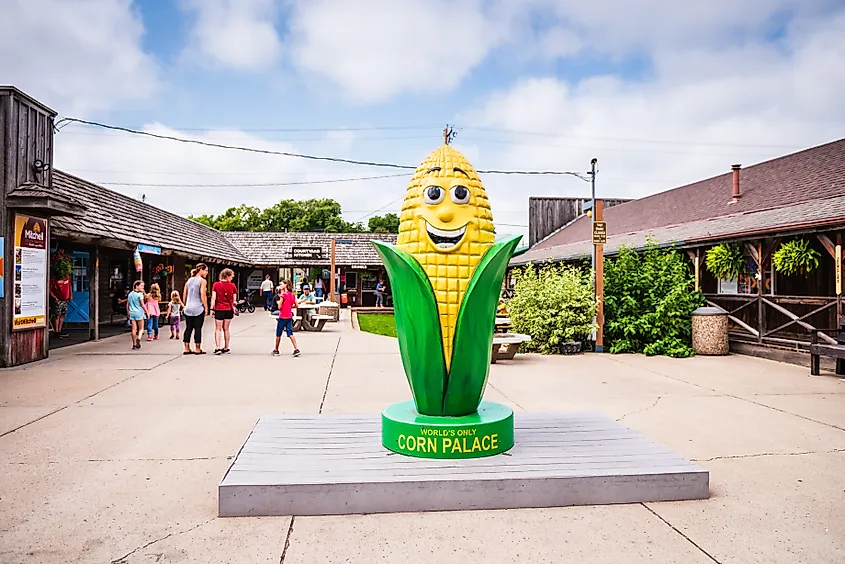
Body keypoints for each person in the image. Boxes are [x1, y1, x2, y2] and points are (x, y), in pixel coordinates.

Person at [182, 263, 209, 355]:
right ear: (201, 270)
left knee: (188, 328)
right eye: (206, 271)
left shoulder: (189, 280)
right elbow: (203, 294)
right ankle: (197, 348)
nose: (207, 273)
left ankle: (186, 348)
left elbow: (184, 293)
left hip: (188, 307)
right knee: (198, 328)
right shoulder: (202, 281)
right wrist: (206, 307)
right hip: (198, 307)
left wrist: (185, 305)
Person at [211, 268, 237, 355]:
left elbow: (213, 297)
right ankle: (226, 347)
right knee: (226, 329)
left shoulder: (216, 285)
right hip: (229, 309)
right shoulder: (233, 286)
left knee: (218, 328)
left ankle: (217, 347)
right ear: (228, 276)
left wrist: (212, 309)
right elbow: (234, 301)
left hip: (219, 309)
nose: (232, 278)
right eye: (231, 276)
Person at [272, 280, 300, 357]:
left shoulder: (283, 295)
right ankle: (296, 348)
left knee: (278, 333)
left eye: (282, 284)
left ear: (286, 285)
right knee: (290, 333)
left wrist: (281, 304)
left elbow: (279, 307)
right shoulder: (292, 295)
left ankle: (276, 350)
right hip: (289, 316)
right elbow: (296, 305)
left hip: (282, 316)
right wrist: (290, 307)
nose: (280, 285)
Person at [49, 272, 72, 338]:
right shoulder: (54, 279)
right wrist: (54, 297)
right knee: (57, 315)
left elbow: (69, 286)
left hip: (65, 299)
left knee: (62, 315)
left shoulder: (67, 277)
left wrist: (70, 295)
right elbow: (50, 289)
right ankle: (56, 331)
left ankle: (60, 330)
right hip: (58, 299)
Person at [127, 280, 147, 350]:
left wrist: (128, 312)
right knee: (141, 328)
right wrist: (147, 312)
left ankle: (134, 344)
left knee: (133, 329)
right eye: (141, 286)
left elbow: (128, 304)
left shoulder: (130, 294)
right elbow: (142, 305)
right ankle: (139, 338)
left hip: (132, 313)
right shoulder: (140, 295)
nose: (142, 287)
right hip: (139, 312)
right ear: (136, 286)